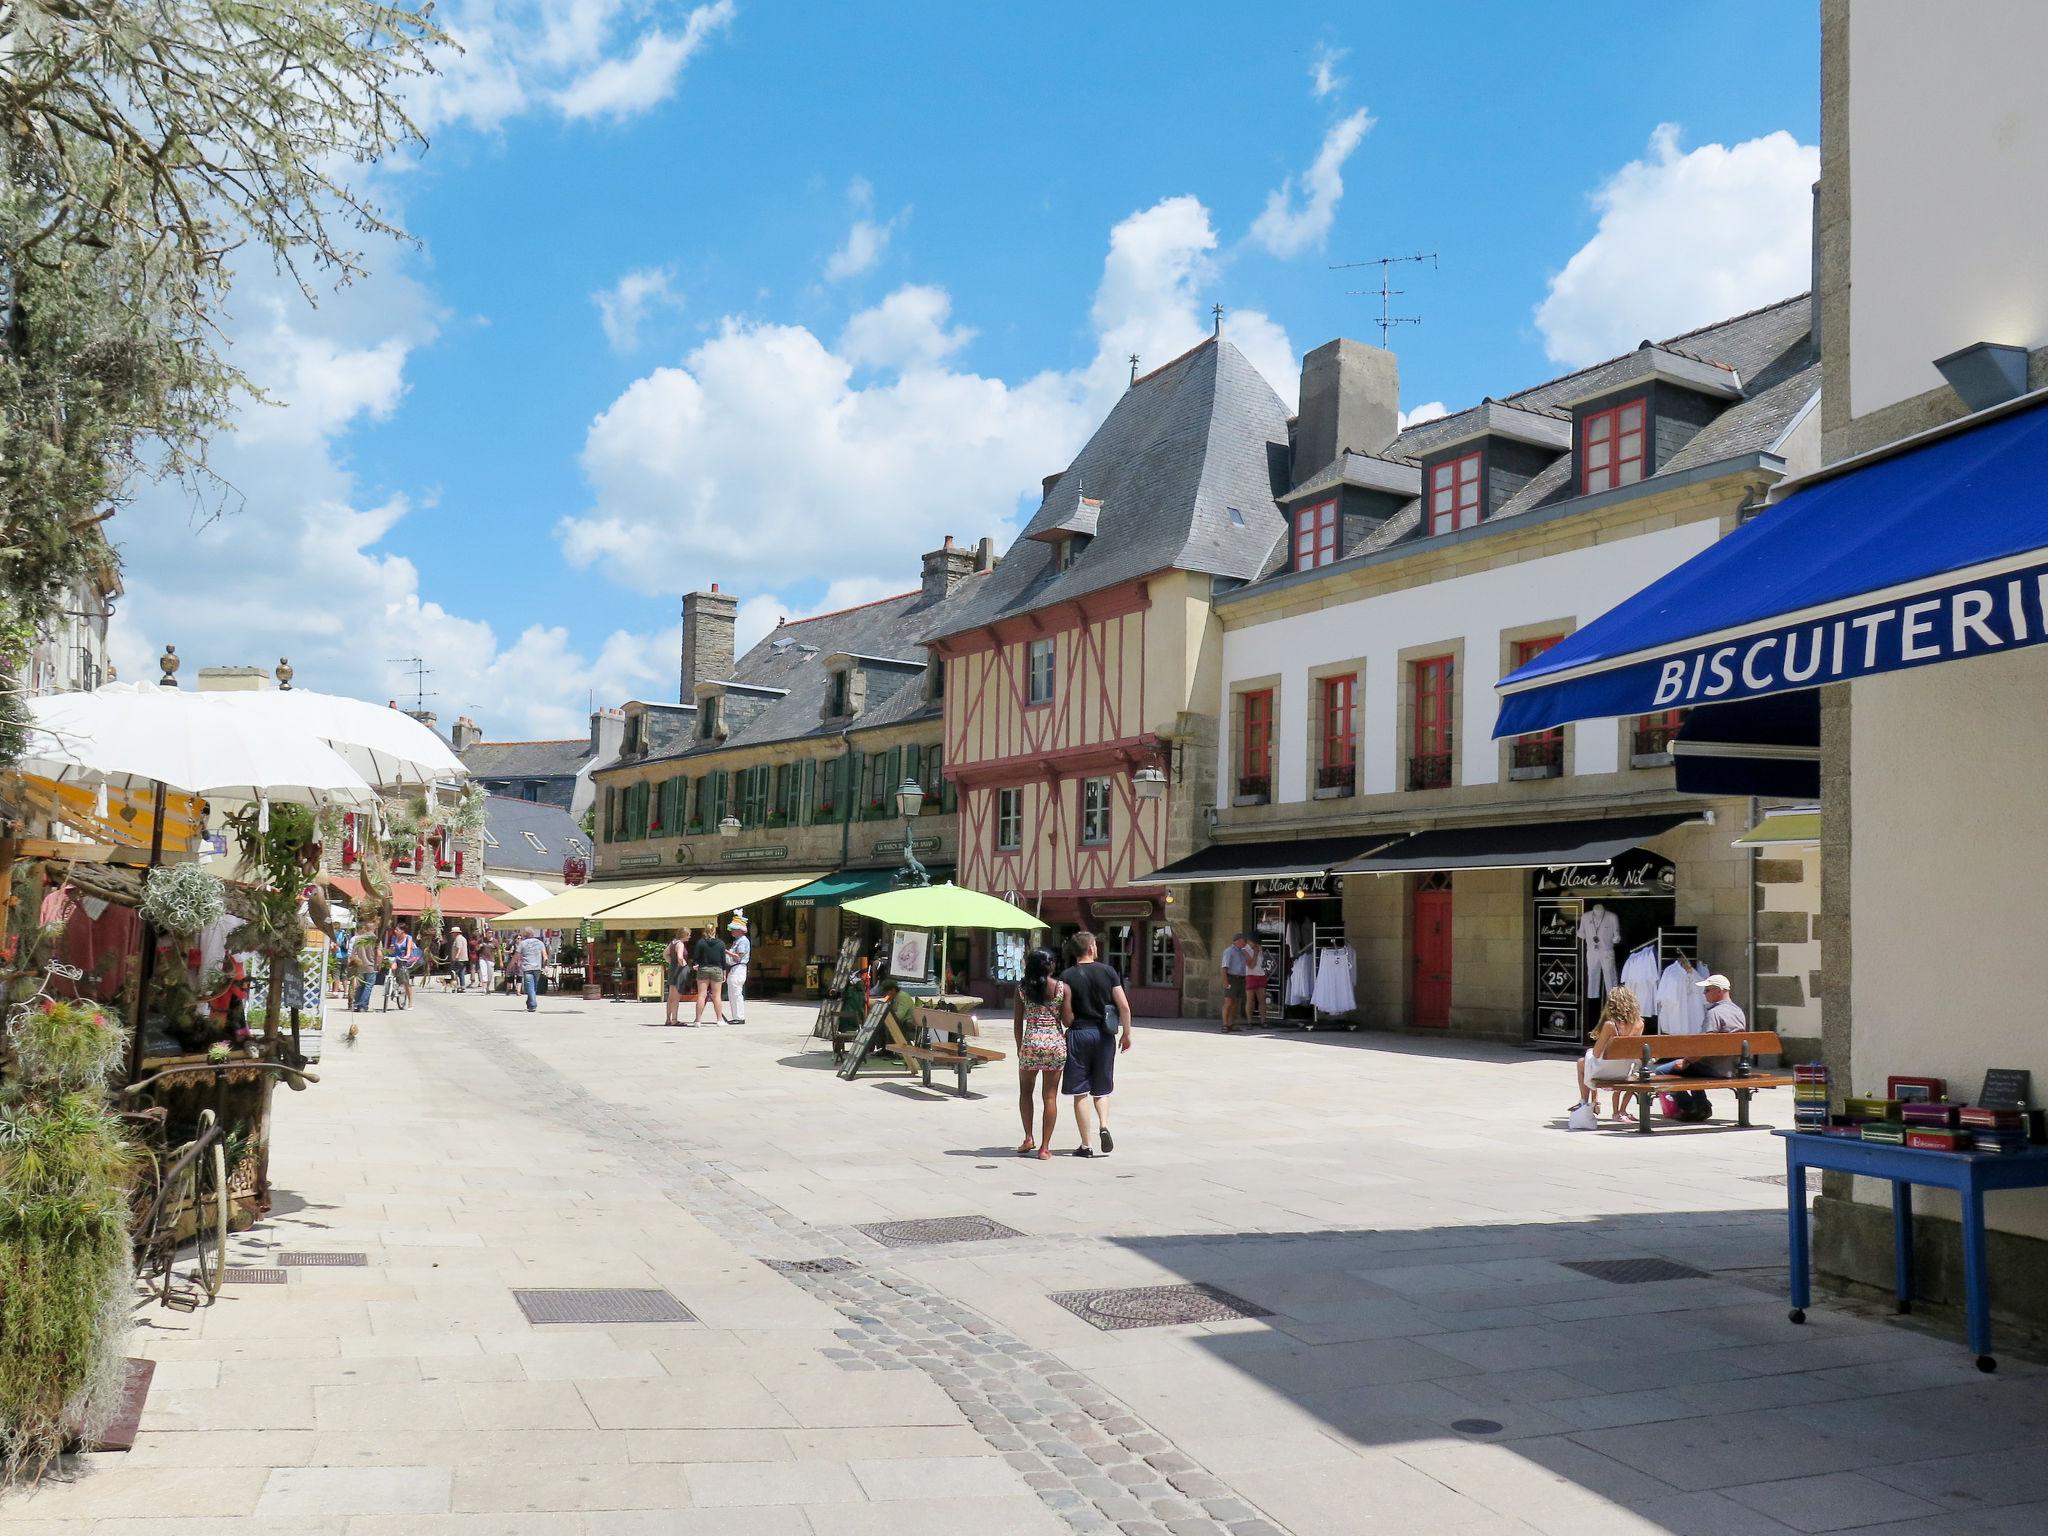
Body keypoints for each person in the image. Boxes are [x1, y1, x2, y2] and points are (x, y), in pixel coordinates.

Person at [1059, 930, 1133, 1158]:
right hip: (1104, 1034)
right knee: (1101, 1089)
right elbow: (1124, 1006)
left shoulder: (1066, 976)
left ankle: (1086, 1144)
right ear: (1091, 948)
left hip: (1079, 1033)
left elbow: (1065, 1014)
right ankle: (1104, 1125)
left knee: (1080, 1092)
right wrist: (1127, 1033)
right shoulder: (1108, 972)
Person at [1012, 946, 1068, 1160]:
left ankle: (1028, 1137)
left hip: (1030, 1043)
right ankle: (1044, 1148)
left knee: (1025, 1092)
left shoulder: (1022, 989)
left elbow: (1017, 1022)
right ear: (1050, 964)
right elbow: (1067, 1020)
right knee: (1050, 1096)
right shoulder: (1062, 988)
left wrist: (1020, 1046)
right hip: (1054, 1044)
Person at [1571, 987, 1646, 1120]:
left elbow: (1596, 1052)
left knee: (1582, 1062)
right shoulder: (1639, 1023)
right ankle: (1594, 1101)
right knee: (1587, 1062)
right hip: (1623, 1072)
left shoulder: (1610, 1025)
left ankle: (1584, 1101)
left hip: (1604, 1071)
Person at [690, 925, 728, 1025]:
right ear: (714, 931)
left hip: (703, 969)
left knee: (702, 995)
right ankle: (719, 1020)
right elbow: (723, 960)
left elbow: (696, 957)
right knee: (717, 996)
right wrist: (724, 973)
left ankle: (698, 1020)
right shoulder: (721, 943)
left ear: (704, 931)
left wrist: (696, 964)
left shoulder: (701, 942)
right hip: (717, 969)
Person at [1219, 933, 1255, 1033]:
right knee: (1228, 1002)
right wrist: (1225, 982)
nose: (1245, 943)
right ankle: (1225, 1024)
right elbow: (1224, 968)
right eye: (1244, 941)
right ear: (1238, 941)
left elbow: (1250, 964)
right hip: (1231, 978)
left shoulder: (1242, 952)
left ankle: (1231, 1023)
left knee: (1235, 1003)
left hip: (1241, 979)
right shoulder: (1229, 951)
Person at [725, 915, 751, 1025]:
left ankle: (739, 1017)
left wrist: (726, 952)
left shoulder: (742, 941)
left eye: (734, 930)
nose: (732, 932)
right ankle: (736, 1016)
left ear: (740, 930)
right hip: (735, 968)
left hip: (738, 967)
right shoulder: (738, 941)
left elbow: (738, 956)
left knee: (736, 993)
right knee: (733, 993)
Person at [662, 928, 691, 1026]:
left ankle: (668, 1019)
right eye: (688, 935)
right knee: (676, 997)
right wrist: (684, 965)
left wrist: (671, 962)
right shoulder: (680, 944)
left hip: (672, 969)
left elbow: (665, 954)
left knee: (671, 996)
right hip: (679, 971)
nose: (690, 937)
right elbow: (680, 956)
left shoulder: (673, 942)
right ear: (684, 935)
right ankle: (674, 1019)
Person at [384, 925, 418, 1009]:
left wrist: (407, 956)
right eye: (395, 929)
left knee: (406, 981)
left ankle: (410, 1003)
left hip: (403, 959)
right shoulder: (394, 938)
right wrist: (390, 950)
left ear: (402, 931)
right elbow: (392, 949)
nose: (395, 931)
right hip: (395, 957)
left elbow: (409, 949)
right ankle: (391, 983)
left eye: (397, 930)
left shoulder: (408, 938)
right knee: (392, 968)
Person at [515, 927, 547, 1011]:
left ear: (525, 935)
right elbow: (545, 956)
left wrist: (509, 966)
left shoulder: (522, 943)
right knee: (533, 987)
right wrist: (545, 966)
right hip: (537, 968)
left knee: (530, 987)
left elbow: (516, 956)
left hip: (527, 968)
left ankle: (533, 1005)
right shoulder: (540, 943)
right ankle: (529, 1002)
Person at [348, 929, 379, 1012]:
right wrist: (378, 965)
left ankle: (357, 1004)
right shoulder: (375, 939)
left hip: (360, 966)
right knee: (368, 986)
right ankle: (362, 1005)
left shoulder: (359, 939)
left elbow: (353, 954)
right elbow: (379, 954)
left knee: (360, 986)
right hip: (371, 966)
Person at [450, 925, 470, 991]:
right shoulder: (463, 938)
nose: (452, 934)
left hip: (459, 959)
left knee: (454, 972)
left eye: (452, 933)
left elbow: (459, 948)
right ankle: (462, 986)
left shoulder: (458, 939)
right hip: (463, 958)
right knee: (461, 973)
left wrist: (457, 956)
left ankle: (456, 986)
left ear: (456, 933)